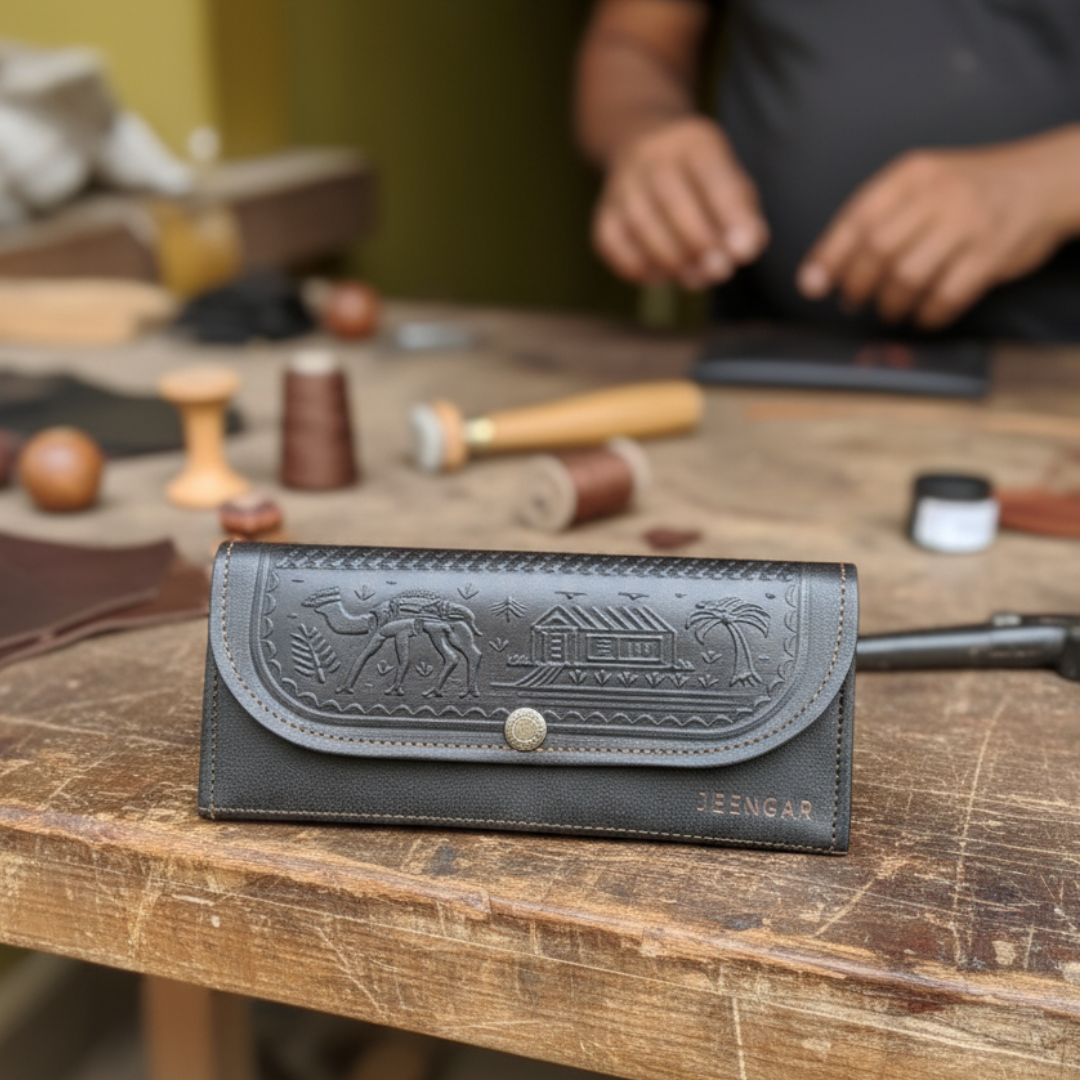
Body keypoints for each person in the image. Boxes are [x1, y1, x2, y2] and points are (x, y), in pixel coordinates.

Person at [575, 0, 1080, 339]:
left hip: (1053, 375)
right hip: (765, 354)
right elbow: (633, 41)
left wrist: (1045, 184)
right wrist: (646, 133)